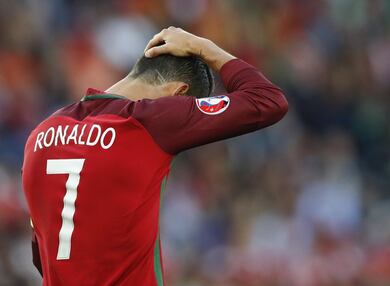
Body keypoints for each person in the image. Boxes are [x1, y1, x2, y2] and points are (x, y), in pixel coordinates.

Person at [21, 27, 288, 286]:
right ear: (179, 93)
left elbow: (42, 255)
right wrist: (201, 46)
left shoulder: (41, 134)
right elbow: (267, 100)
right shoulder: (150, 120)